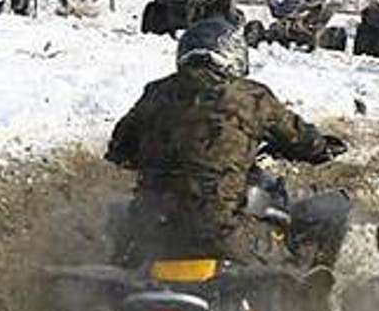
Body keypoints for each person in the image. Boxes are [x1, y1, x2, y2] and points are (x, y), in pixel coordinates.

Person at [105, 18, 346, 267]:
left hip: (150, 236)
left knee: (120, 241)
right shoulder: (252, 97)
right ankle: (311, 299)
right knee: (292, 264)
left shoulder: (155, 93)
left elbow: (119, 149)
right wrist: (321, 148)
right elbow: (300, 137)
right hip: (221, 236)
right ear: (233, 56)